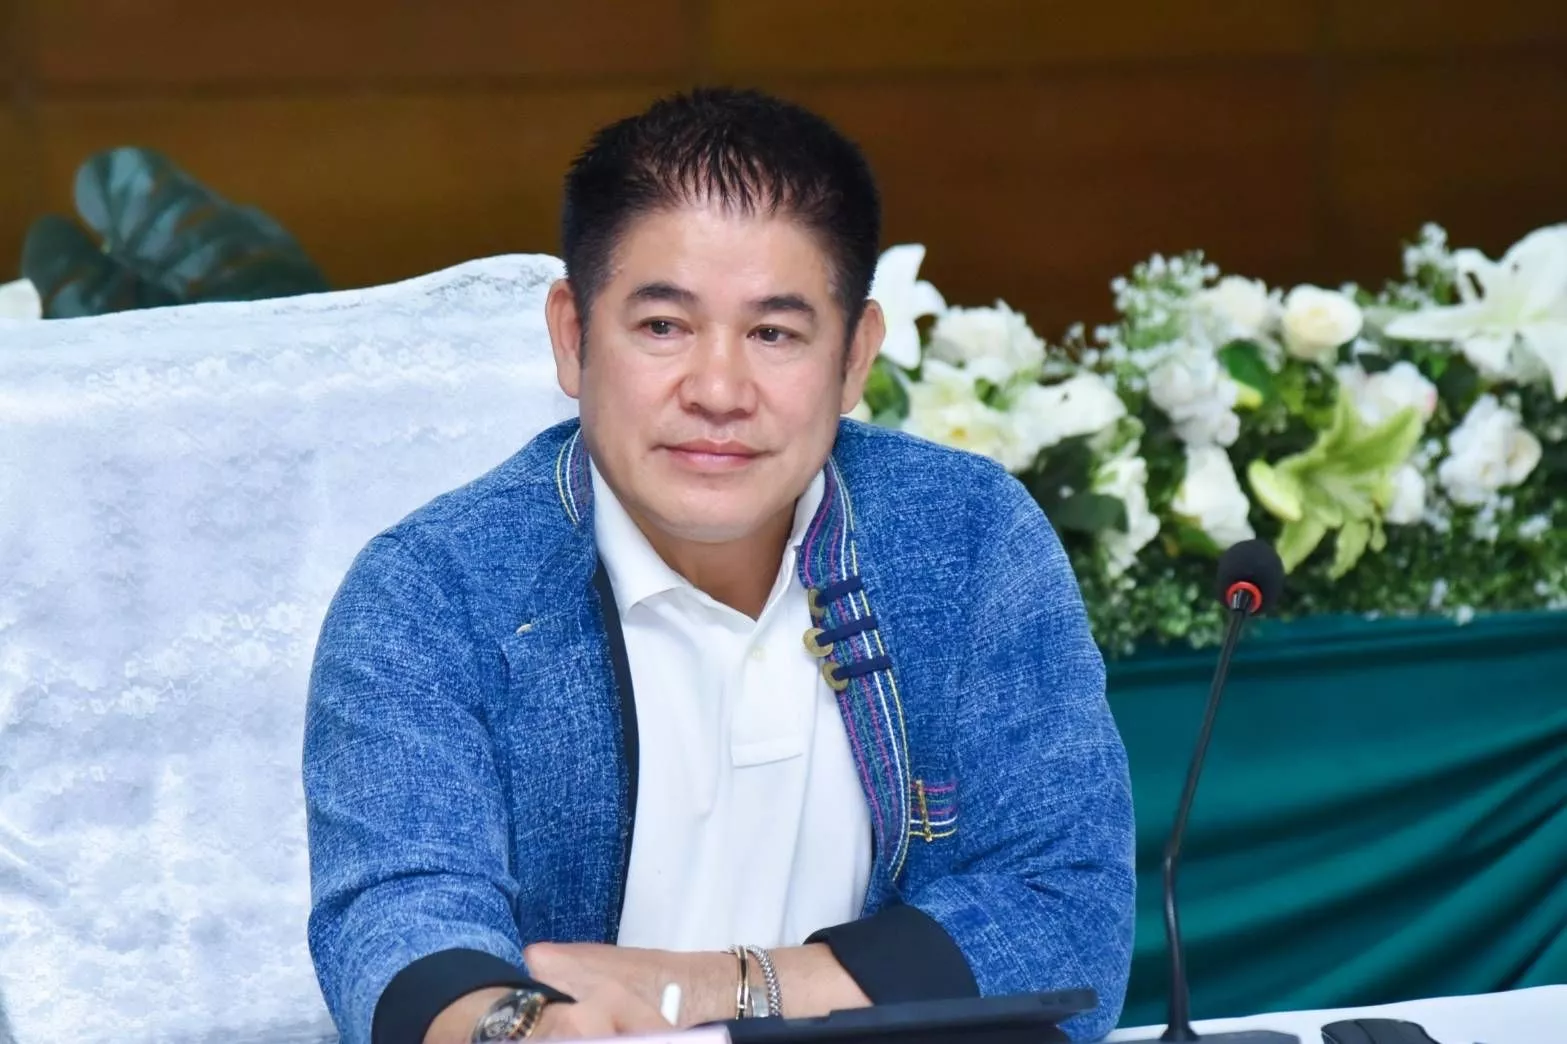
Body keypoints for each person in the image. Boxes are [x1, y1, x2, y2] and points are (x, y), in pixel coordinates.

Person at [304, 87, 1135, 1044]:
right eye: (663, 326)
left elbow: (1067, 917)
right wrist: (517, 1030)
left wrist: (705, 989)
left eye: (774, 334)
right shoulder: (434, 591)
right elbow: (398, 920)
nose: (717, 391)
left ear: (854, 358)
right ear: (572, 337)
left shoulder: (966, 538)